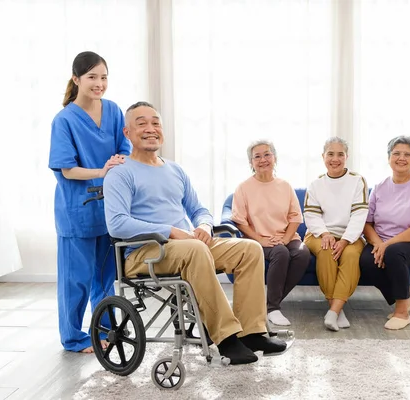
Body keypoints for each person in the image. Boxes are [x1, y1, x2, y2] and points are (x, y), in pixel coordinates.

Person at [103, 101, 286, 365]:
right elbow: (117, 224)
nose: (150, 128)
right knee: (195, 249)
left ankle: (252, 332)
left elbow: (199, 209)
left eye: (155, 123)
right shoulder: (120, 173)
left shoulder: (174, 170)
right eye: (141, 123)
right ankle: (225, 337)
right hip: (143, 252)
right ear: (127, 133)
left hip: (186, 246)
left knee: (249, 249)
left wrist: (203, 226)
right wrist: (172, 231)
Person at [48, 51, 130, 353]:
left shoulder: (113, 111)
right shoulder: (65, 120)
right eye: (92, 77)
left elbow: (125, 148)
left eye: (104, 77)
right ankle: (73, 338)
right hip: (77, 211)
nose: (99, 83)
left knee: (107, 279)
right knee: (76, 281)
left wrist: (119, 165)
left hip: (110, 209)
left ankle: (107, 331)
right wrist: (102, 171)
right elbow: (67, 169)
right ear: (76, 79)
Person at [359, 136, 410, 330]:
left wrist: (387, 245)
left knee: (393, 253)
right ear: (388, 158)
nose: (401, 158)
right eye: (396, 153)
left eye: (407, 154)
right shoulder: (379, 187)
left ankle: (402, 312)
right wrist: (378, 244)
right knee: (366, 260)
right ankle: (401, 299)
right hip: (382, 241)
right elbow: (367, 223)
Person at [231, 140, 310, 326]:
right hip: (257, 239)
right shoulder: (243, 188)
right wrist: (261, 239)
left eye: (267, 154)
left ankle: (267, 305)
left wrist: (285, 239)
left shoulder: (284, 186)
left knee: (302, 253)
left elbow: (295, 218)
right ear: (251, 163)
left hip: (285, 236)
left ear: (275, 158)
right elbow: (239, 220)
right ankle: (273, 308)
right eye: (257, 156)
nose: (263, 159)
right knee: (280, 253)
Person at [303, 137, 368, 332]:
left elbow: (359, 215)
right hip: (318, 234)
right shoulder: (316, 184)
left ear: (347, 157)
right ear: (323, 157)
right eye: (330, 154)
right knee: (326, 251)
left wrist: (346, 240)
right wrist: (325, 234)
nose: (335, 158)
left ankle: (333, 312)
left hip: (351, 236)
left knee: (349, 254)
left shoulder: (358, 181)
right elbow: (311, 215)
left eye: (340, 154)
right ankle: (337, 308)